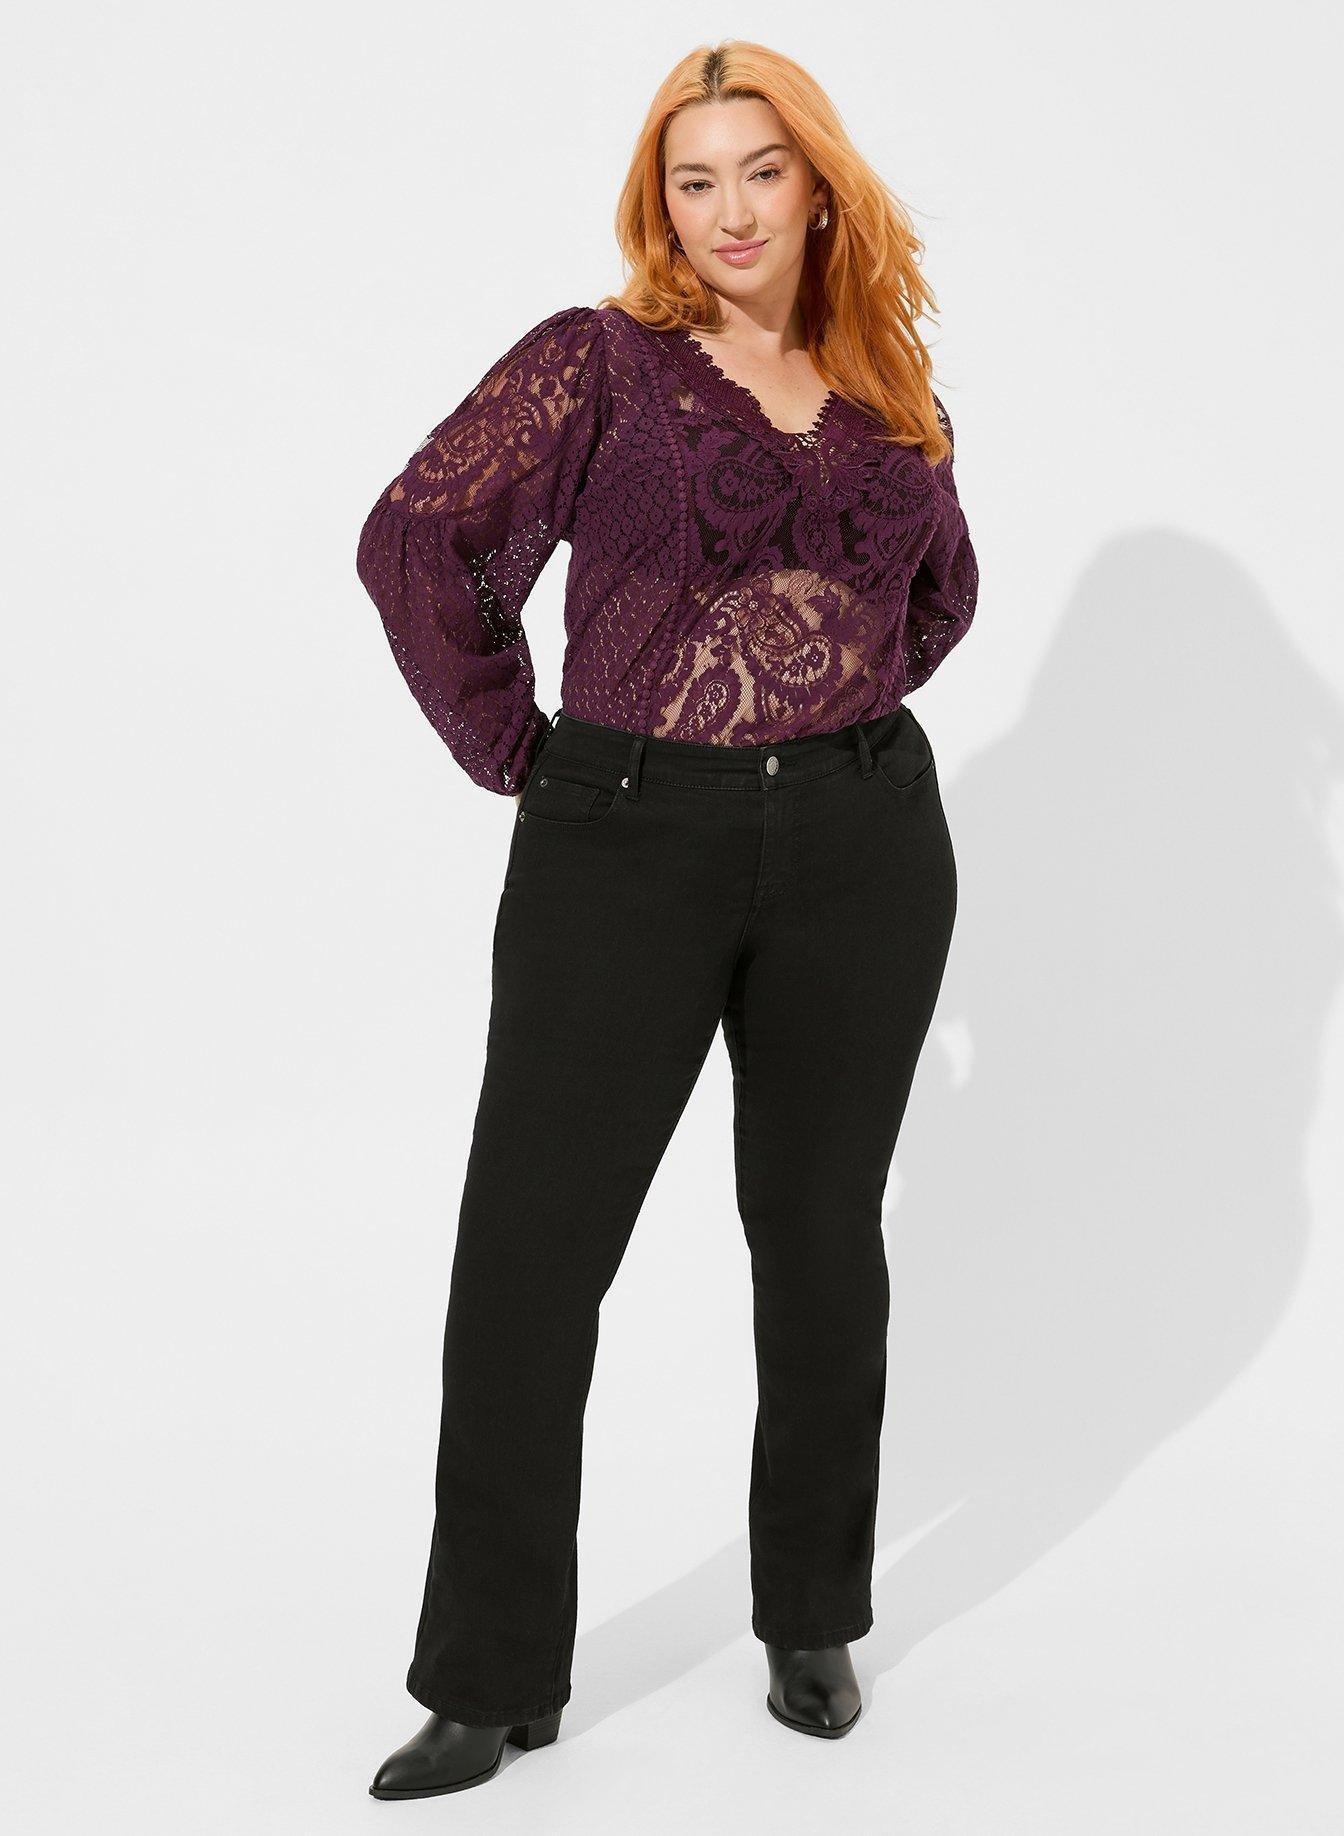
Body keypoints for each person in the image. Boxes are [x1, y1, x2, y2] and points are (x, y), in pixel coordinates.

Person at [355, 38, 979, 1800]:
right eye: (693, 180)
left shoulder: (887, 379)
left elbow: (941, 592)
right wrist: (532, 752)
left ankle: (813, 1617)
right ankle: (488, 1680)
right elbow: (416, 539)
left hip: (866, 841)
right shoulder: (599, 363)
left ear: (819, 186)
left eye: (761, 171)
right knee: (533, 1255)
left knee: (821, 1233)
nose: (729, 210)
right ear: (661, 201)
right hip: (626, 839)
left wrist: (834, 727)